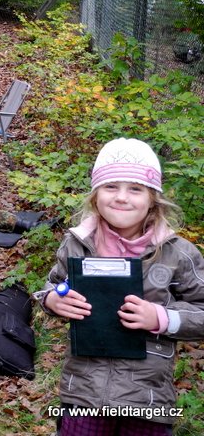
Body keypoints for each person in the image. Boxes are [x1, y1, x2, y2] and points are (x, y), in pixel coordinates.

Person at [34, 138, 204, 436]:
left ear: (153, 198)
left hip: (148, 398)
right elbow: (54, 286)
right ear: (95, 196)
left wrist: (161, 317)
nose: (122, 197)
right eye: (111, 186)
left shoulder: (177, 253)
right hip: (83, 392)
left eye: (135, 189)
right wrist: (52, 300)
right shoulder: (77, 243)